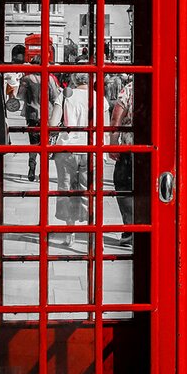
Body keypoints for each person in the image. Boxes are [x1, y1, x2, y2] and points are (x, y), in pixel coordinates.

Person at [50, 72, 110, 247]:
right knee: (90, 192)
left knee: (67, 190)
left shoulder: (66, 94)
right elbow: (105, 129)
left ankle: (70, 234)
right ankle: (94, 236)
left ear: (75, 79)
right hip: (92, 150)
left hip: (67, 149)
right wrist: (104, 154)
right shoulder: (100, 98)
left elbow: (53, 124)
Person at [16, 49, 61, 183]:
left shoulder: (27, 79)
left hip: (32, 114)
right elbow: (55, 97)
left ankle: (31, 168)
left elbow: (20, 95)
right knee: (45, 145)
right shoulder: (50, 79)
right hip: (47, 115)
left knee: (33, 144)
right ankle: (43, 173)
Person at [107, 75, 135, 249]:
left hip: (129, 147)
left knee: (124, 187)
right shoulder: (170, 85)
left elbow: (116, 118)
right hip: (160, 150)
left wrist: (112, 143)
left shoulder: (130, 89)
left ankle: (130, 231)